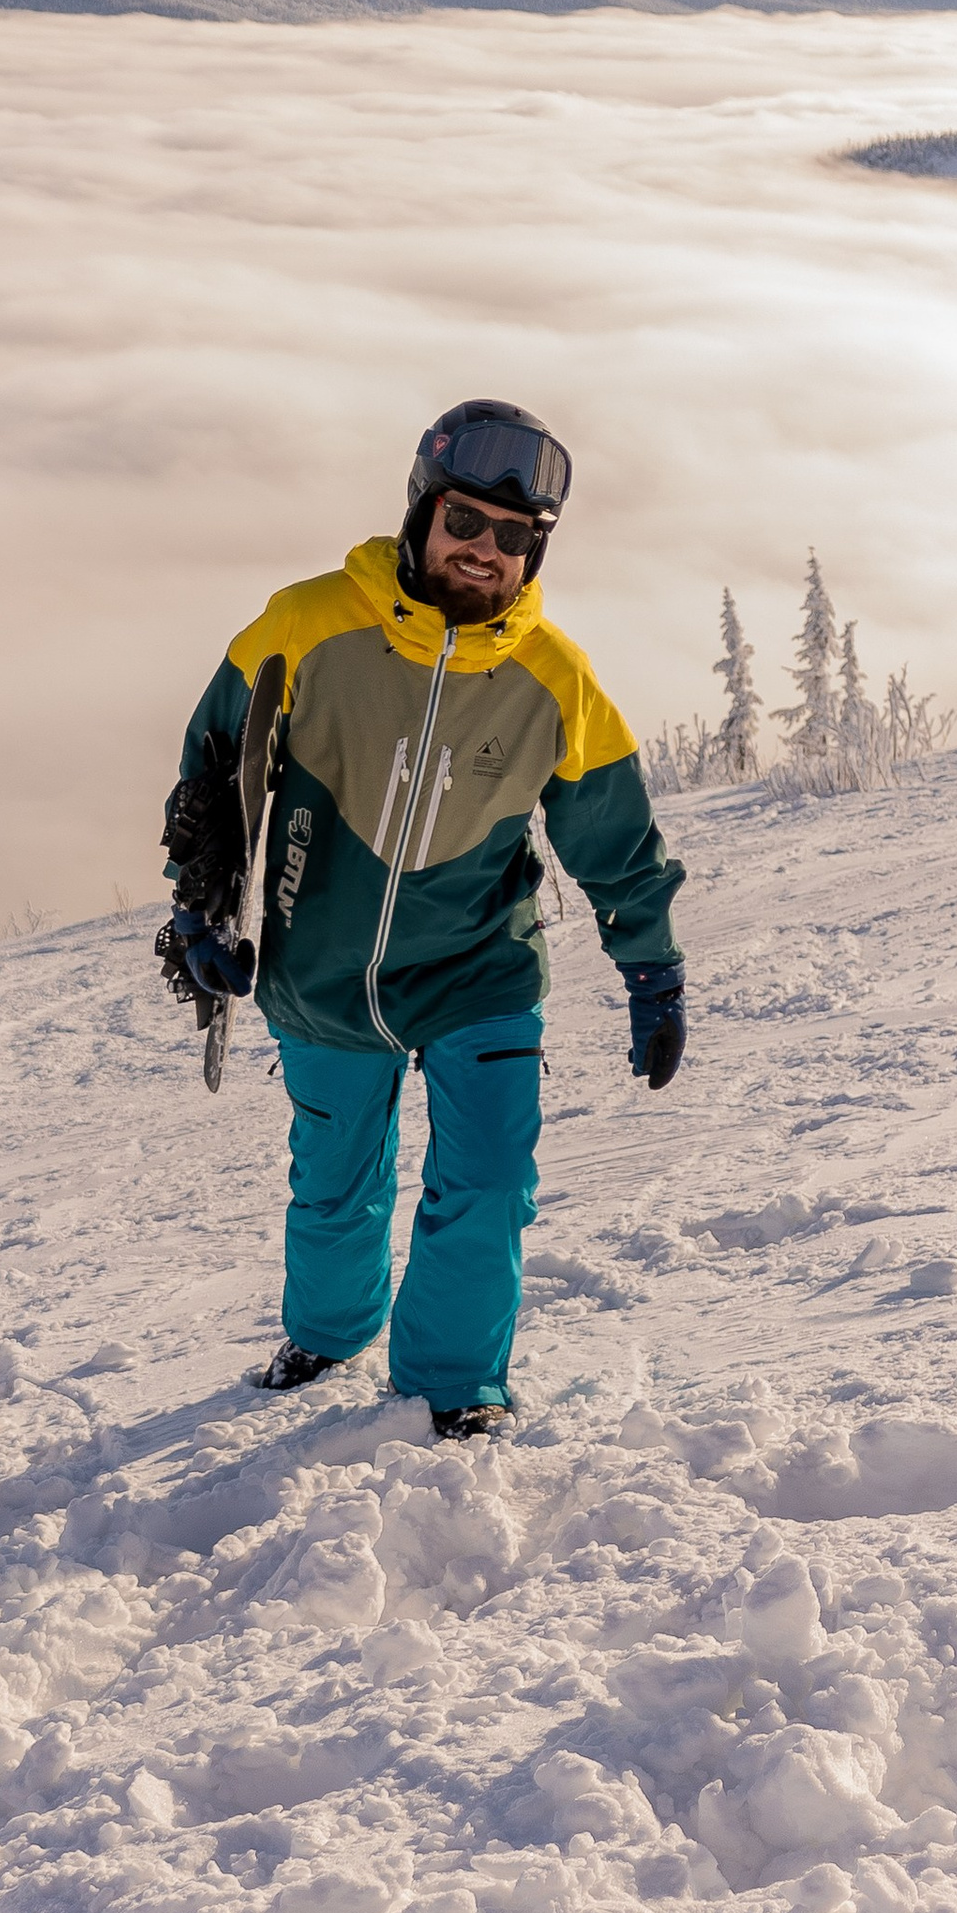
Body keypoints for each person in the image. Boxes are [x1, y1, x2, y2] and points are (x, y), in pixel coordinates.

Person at [157, 400, 685, 1440]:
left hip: (478, 972)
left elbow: (615, 838)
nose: (485, 549)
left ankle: (454, 1380)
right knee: (333, 1183)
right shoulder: (307, 622)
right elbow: (214, 773)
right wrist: (199, 906)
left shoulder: (555, 679)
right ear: (420, 512)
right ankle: (327, 1332)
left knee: (487, 1179)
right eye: (465, 520)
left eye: (513, 535)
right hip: (321, 968)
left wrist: (651, 968)